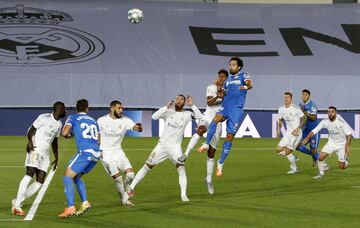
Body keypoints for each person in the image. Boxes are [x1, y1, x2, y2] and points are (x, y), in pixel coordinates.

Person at [123, 95, 201, 203]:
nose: (179, 100)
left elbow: (200, 116)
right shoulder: (168, 112)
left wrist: (192, 105)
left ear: (184, 103)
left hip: (175, 148)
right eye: (177, 99)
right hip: (161, 146)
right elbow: (154, 117)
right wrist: (166, 107)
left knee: (181, 168)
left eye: (181, 99)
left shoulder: (187, 115)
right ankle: (130, 188)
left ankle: (183, 195)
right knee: (147, 166)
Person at [198, 57, 252, 177]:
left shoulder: (244, 75)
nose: (231, 67)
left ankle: (220, 163)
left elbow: (249, 84)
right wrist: (221, 93)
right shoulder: (227, 80)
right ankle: (206, 144)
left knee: (229, 137)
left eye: (233, 65)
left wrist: (245, 87)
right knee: (215, 119)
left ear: (239, 67)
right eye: (230, 64)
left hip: (236, 110)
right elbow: (225, 92)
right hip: (225, 106)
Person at [178, 69, 228, 194]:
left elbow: (228, 108)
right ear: (218, 77)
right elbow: (209, 102)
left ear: (226, 79)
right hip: (206, 117)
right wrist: (218, 95)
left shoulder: (229, 91)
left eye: (223, 77)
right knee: (200, 130)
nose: (221, 78)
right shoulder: (211, 87)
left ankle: (209, 180)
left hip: (218, 122)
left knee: (211, 153)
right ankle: (186, 154)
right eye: (220, 76)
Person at [11, 102, 66, 216]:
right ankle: (16, 207)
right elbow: (31, 130)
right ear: (59, 109)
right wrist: (30, 142)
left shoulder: (59, 124)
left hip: (45, 155)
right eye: (64, 109)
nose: (65, 111)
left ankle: (18, 201)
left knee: (40, 181)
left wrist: (56, 157)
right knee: (29, 174)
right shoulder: (44, 117)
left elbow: (54, 141)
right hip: (35, 149)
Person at [59, 99, 101, 218]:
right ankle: (85, 202)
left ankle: (70, 207)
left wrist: (69, 135)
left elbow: (64, 132)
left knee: (67, 176)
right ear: (87, 109)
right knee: (76, 176)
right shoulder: (94, 121)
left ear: (77, 108)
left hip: (85, 152)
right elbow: (99, 140)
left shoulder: (73, 117)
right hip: (96, 154)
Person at [97, 100, 142, 206]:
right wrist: (99, 150)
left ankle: (127, 188)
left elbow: (136, 127)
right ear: (112, 109)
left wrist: (138, 128)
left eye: (122, 108)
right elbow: (97, 137)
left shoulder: (125, 120)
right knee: (118, 178)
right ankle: (124, 200)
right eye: (119, 108)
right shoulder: (101, 121)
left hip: (118, 151)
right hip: (106, 154)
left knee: (130, 175)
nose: (121, 110)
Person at [302, 106, 352, 179]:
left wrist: (347, 145)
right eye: (329, 112)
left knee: (342, 167)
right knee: (321, 157)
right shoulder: (325, 121)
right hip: (331, 143)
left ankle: (346, 160)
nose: (330, 113)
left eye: (332, 112)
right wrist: (307, 138)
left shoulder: (341, 122)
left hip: (341, 145)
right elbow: (315, 130)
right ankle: (321, 174)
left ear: (336, 113)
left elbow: (349, 134)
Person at [276, 92, 307, 174]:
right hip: (288, 133)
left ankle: (294, 168)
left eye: (288, 97)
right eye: (285, 97)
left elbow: (304, 118)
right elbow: (280, 120)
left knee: (287, 152)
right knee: (278, 150)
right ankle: (293, 157)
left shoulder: (295, 108)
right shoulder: (281, 109)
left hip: (296, 133)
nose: (286, 99)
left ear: (291, 99)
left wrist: (298, 128)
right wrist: (278, 128)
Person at [296, 89, 321, 165]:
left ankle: (323, 164)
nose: (304, 96)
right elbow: (301, 118)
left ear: (309, 96)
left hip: (314, 131)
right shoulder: (300, 104)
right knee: (297, 145)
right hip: (306, 130)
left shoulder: (312, 104)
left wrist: (304, 112)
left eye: (305, 95)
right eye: (303, 94)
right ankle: (313, 155)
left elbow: (314, 118)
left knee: (313, 149)